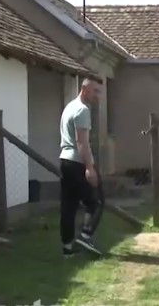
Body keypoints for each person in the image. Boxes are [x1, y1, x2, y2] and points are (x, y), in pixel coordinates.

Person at [59, 77, 105, 258]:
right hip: (78, 162)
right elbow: (82, 143)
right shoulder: (82, 110)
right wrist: (89, 168)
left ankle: (67, 248)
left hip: (65, 161)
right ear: (84, 89)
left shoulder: (69, 107)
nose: (98, 96)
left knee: (68, 206)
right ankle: (85, 235)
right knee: (97, 201)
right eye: (95, 91)